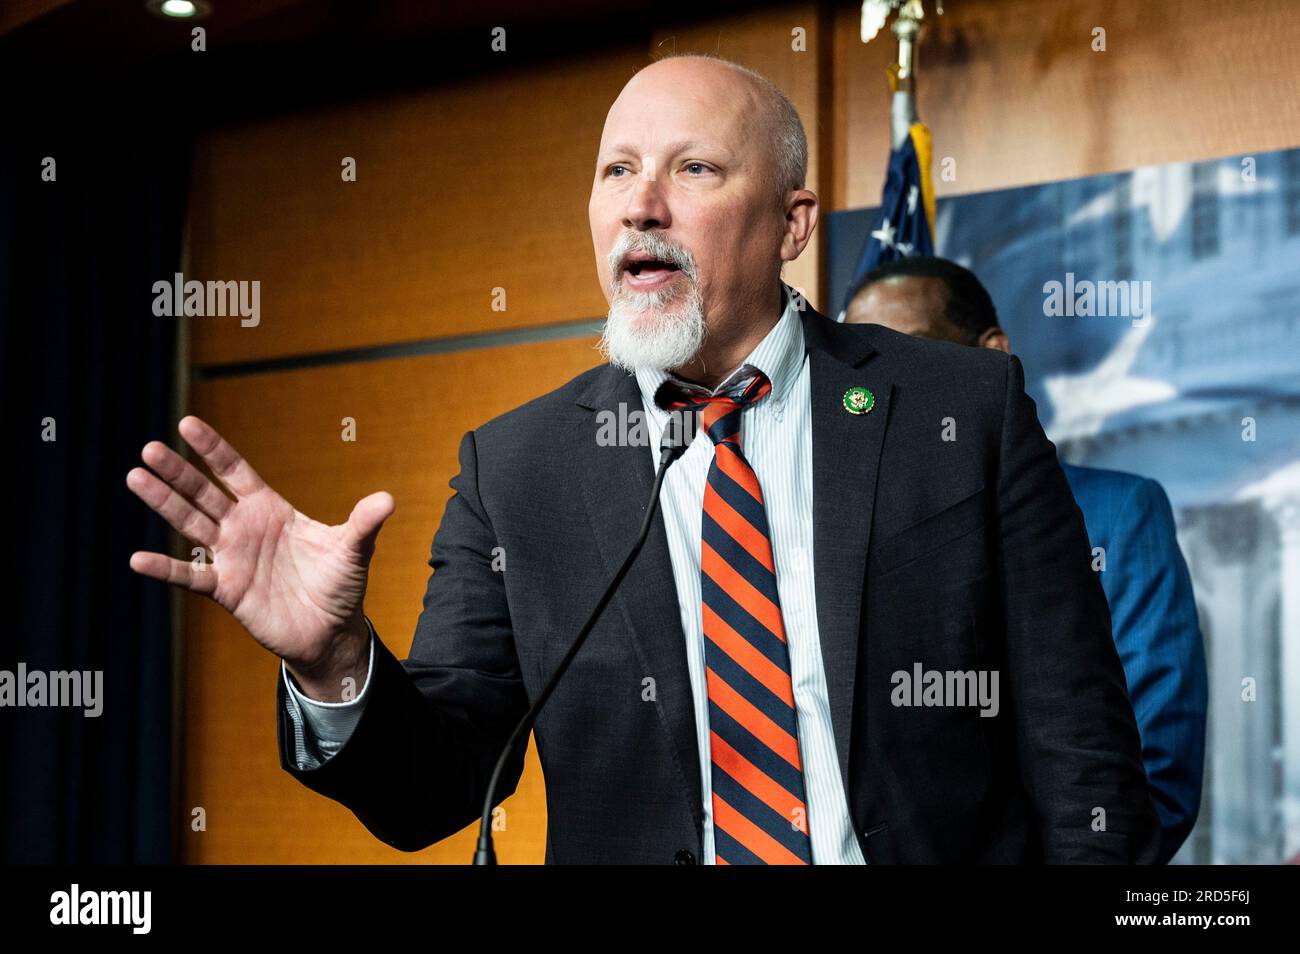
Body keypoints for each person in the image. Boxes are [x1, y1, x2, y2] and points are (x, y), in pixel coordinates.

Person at [126, 54, 1158, 864]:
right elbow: (435, 790)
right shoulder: (516, 470)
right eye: (616, 169)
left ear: (793, 222)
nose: (639, 204)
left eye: (692, 168)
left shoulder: (962, 408)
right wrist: (333, 661)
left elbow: (1083, 757)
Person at [844, 255, 1207, 862]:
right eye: (866, 360)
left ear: (992, 352)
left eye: (913, 351)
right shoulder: (840, 530)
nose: (886, 384)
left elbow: (1153, 777)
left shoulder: (1118, 514)